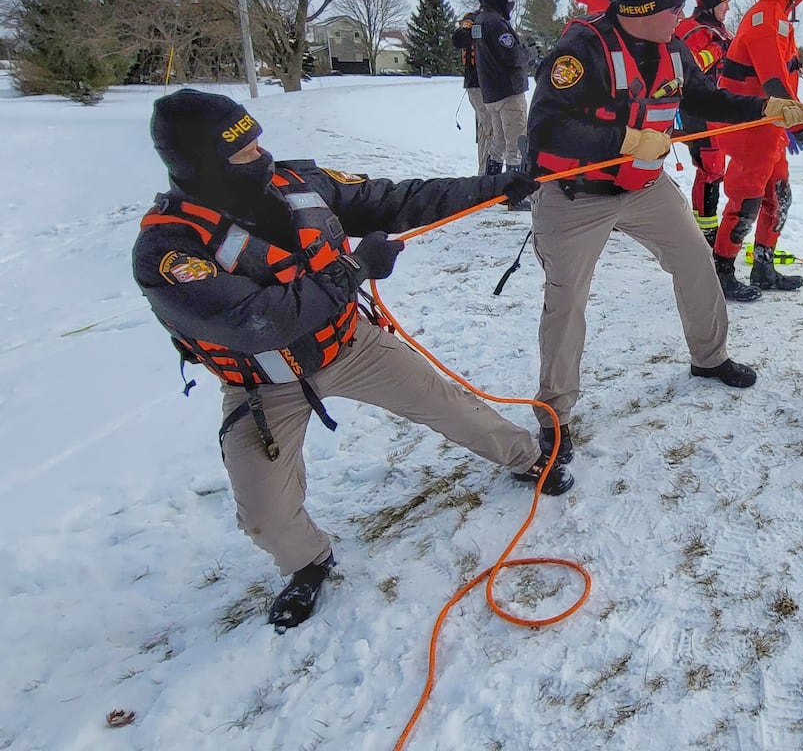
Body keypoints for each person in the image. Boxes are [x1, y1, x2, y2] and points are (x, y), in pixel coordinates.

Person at [132, 90, 547, 632]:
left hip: (348, 344)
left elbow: (397, 199)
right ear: (200, 166)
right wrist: (353, 269)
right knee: (264, 515)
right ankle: (308, 562)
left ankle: (526, 457)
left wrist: (496, 187)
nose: (260, 154)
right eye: (242, 151)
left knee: (451, 406)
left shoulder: (299, 183)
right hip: (264, 384)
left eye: (259, 139)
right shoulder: (167, 251)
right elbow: (260, 320)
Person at [525, 0, 803, 473]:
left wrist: (764, 107)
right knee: (566, 301)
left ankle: (710, 357)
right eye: (674, 9)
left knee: (696, 261)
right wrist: (626, 138)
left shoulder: (673, 47)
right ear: (643, 9)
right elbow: (544, 131)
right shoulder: (581, 50)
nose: (682, 18)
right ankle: (554, 413)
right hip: (577, 196)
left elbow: (704, 99)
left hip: (643, 188)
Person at [711, 0, 803, 301]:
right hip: (750, 129)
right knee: (745, 202)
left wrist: (787, 128)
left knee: (779, 199)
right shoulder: (765, 18)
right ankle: (721, 271)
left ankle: (763, 265)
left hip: (771, 129)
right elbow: (775, 84)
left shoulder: (779, 18)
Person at [675, 0, 736, 243]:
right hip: (698, 109)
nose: (728, 6)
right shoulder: (693, 30)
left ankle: (706, 228)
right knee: (711, 168)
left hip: (719, 108)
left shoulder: (721, 31)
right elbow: (690, 68)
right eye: (724, 0)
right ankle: (705, 231)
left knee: (717, 168)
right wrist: (719, 50)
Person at [472, 0, 533, 209]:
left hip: (491, 93)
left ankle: (490, 189)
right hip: (508, 93)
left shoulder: (480, 21)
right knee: (516, 144)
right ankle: (513, 196)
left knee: (497, 143)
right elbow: (512, 57)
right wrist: (529, 53)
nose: (512, 3)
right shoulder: (496, 24)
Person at [450, 5, 493, 174]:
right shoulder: (474, 19)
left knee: (487, 129)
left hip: (489, 85)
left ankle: (486, 173)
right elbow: (458, 38)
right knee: (489, 129)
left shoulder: (495, 20)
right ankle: (486, 175)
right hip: (478, 84)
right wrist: (474, 30)